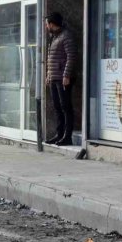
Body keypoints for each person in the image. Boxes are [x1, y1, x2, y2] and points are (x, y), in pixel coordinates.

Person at [44, 12, 78, 146]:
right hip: (54, 77)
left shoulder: (66, 36)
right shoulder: (54, 37)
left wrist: (66, 75)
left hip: (63, 78)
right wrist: (48, 75)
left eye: (47, 24)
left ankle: (67, 136)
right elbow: (50, 58)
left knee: (66, 107)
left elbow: (71, 56)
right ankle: (59, 134)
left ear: (52, 24)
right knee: (57, 107)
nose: (46, 26)